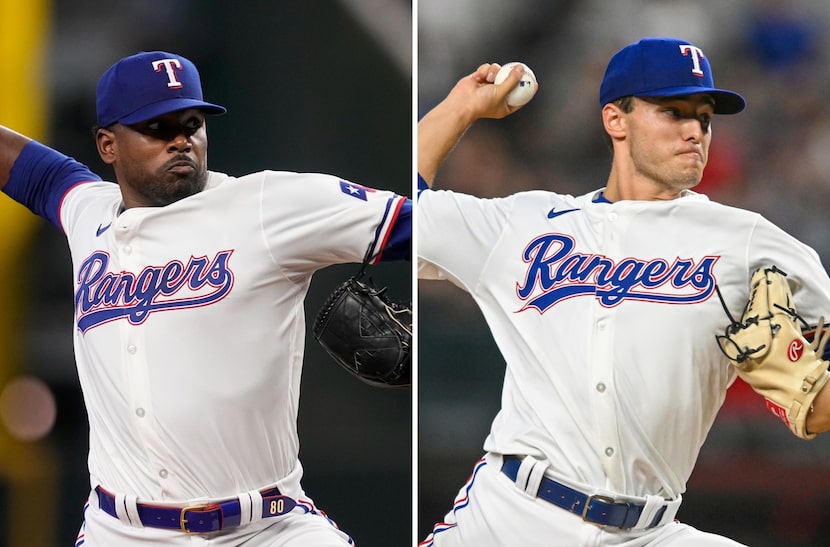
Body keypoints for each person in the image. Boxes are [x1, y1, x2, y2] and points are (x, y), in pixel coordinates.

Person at [417, 36, 830, 546]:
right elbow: (396, 218)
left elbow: (820, 385)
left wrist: (811, 382)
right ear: (616, 120)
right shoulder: (526, 223)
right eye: (673, 111)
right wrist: (462, 106)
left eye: (703, 116)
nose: (694, 131)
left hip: (651, 531)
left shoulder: (748, 241)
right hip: (512, 515)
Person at [0, 50, 410, 546]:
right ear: (108, 144)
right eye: (156, 127)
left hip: (267, 528)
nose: (180, 140)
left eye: (192, 123)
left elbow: (421, 227)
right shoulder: (89, 212)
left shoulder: (263, 205)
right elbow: (37, 173)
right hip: (122, 531)